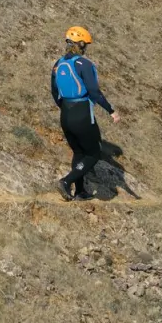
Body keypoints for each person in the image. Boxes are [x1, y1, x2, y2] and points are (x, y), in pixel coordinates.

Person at [52, 26, 120, 201]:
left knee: (78, 152)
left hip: (65, 114)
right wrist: (111, 110)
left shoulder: (58, 64)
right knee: (93, 153)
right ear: (81, 44)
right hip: (82, 113)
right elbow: (94, 92)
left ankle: (80, 192)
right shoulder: (85, 64)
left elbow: (54, 92)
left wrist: (66, 108)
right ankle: (66, 181)